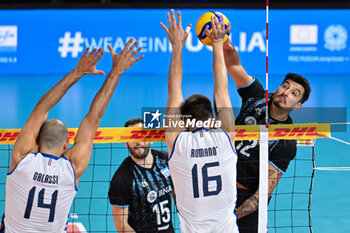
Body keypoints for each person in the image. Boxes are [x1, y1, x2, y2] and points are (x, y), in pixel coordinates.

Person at [1, 39, 143, 233]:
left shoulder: (22, 157)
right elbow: (94, 117)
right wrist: (116, 71)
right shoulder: (72, 167)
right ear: (67, 143)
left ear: (36, 140)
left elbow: (41, 108)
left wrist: (77, 72)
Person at [161, 9, 238, 233]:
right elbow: (222, 89)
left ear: (183, 121)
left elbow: (173, 90)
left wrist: (177, 47)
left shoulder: (179, 143)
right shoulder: (225, 138)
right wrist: (217, 43)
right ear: (212, 118)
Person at [223, 40, 311, 233]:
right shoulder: (256, 96)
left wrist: (232, 217)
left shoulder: (287, 141)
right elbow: (233, 66)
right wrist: (226, 45)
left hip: (246, 201)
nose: (285, 92)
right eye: (285, 86)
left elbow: (262, 194)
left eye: (294, 93)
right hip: (220, 184)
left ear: (297, 106)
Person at [108, 118, 174, 233]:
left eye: (141, 135)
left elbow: (176, 194)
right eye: (132, 137)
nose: (137, 141)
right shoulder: (122, 179)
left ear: (151, 139)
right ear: (126, 143)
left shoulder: (166, 160)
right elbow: (121, 225)